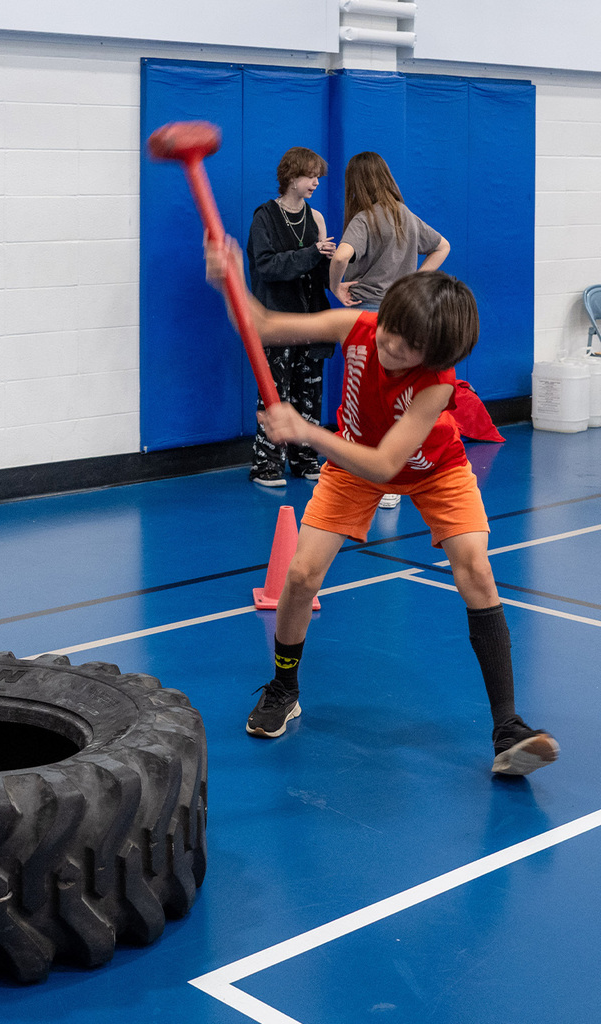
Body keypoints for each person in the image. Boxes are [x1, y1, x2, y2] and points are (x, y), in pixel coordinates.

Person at [206, 239, 559, 777]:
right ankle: (284, 685)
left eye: (409, 345)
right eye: (391, 329)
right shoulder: (360, 328)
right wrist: (227, 280)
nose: (390, 345)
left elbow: (384, 463)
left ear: (436, 355)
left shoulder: (435, 385)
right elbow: (264, 325)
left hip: (433, 467)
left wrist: (305, 431)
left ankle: (508, 729)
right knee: (300, 576)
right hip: (352, 461)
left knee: (476, 570)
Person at [329, 151, 451, 511]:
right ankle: (390, 473)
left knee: (366, 400)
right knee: (397, 399)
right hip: (403, 319)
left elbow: (339, 257)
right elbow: (442, 246)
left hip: (370, 321)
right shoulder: (405, 216)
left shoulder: (365, 219)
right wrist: (413, 284)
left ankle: (379, 477)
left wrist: (337, 286)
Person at [245, 147, 337, 487]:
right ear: (291, 177)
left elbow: (319, 270)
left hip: (310, 322)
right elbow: (267, 266)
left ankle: (304, 458)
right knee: (275, 394)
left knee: (309, 393)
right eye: (310, 175)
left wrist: (337, 274)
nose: (315, 182)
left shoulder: (316, 219)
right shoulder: (265, 217)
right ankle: (266, 465)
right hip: (277, 321)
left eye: (317, 176)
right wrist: (312, 252)